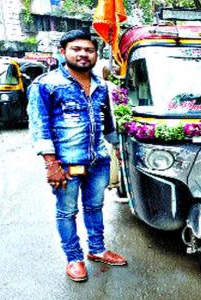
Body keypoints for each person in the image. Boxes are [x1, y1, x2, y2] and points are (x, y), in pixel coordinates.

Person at [27, 30, 127, 282]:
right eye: (76, 49)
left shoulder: (101, 86)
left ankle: (97, 250)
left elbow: (108, 124)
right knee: (67, 211)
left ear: (95, 55)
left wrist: (117, 149)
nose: (83, 54)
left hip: (98, 161)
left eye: (89, 50)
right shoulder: (46, 85)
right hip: (66, 163)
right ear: (63, 52)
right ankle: (74, 258)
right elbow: (40, 127)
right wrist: (51, 164)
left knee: (94, 207)